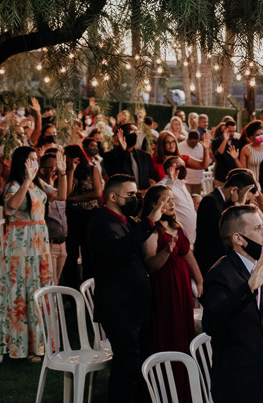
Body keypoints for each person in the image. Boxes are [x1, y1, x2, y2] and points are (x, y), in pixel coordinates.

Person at [87, 175, 164, 403]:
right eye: (130, 195)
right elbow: (120, 250)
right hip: (118, 308)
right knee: (126, 364)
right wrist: (149, 222)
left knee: (133, 363)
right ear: (112, 196)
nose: (134, 199)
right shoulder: (100, 222)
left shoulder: (126, 220)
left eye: (135, 194)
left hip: (135, 306)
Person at [201, 205, 263, 403]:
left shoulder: (254, 266)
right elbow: (211, 324)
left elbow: (257, 327)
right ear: (238, 239)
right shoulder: (220, 274)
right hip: (235, 383)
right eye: (257, 228)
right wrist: (248, 288)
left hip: (258, 375)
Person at [0, 147, 66, 360]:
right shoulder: (14, 185)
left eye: (36, 160)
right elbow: (11, 207)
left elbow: (61, 196)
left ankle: (39, 345)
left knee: (39, 288)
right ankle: (20, 346)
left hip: (39, 240)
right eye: (31, 160)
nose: (35, 164)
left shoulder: (40, 183)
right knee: (21, 291)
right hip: (20, 243)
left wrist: (63, 173)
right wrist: (26, 181)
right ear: (22, 163)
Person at [141, 185, 202, 403]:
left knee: (185, 328)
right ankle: (168, 385)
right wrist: (166, 252)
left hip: (183, 286)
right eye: (165, 200)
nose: (170, 203)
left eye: (171, 199)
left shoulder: (177, 226)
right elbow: (150, 264)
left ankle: (186, 383)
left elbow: (188, 256)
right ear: (153, 204)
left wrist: (200, 279)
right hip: (165, 287)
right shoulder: (152, 231)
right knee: (170, 328)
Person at [193, 170, 257, 273]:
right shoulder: (210, 202)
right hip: (209, 262)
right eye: (243, 199)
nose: (243, 202)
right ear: (233, 190)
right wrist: (239, 205)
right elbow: (223, 229)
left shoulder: (224, 201)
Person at [61, 144, 103, 290]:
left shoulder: (92, 170)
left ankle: (90, 288)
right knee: (71, 254)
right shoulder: (65, 173)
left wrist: (75, 199)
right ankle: (71, 289)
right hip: (72, 216)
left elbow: (98, 192)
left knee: (88, 253)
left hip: (90, 215)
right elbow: (66, 194)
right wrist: (71, 171)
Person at [40, 153, 70, 284]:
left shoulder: (56, 189)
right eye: (53, 167)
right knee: (51, 283)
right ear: (42, 170)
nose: (56, 170)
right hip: (50, 244)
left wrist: (64, 173)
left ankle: (58, 304)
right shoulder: (39, 190)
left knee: (57, 282)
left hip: (62, 243)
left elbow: (63, 196)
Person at [101, 123, 155, 193]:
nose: (133, 135)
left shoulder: (145, 156)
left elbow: (151, 179)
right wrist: (124, 151)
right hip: (123, 197)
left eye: (135, 132)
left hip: (143, 198)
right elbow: (115, 175)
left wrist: (148, 190)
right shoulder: (109, 156)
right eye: (130, 132)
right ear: (120, 136)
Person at [158, 157, 198, 249]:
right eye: (179, 166)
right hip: (179, 239)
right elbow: (163, 199)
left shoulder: (181, 184)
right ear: (169, 169)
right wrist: (170, 182)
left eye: (184, 165)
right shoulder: (162, 185)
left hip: (192, 238)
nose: (183, 168)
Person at [177, 129, 211, 196]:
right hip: (186, 180)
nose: (194, 144)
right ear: (188, 139)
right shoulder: (180, 147)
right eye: (192, 142)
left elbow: (206, 162)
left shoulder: (201, 147)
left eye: (196, 142)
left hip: (197, 179)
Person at [211, 119, 241, 186]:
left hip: (234, 178)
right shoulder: (217, 141)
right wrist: (225, 140)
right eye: (230, 131)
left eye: (234, 131)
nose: (232, 134)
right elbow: (217, 155)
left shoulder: (237, 142)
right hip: (221, 178)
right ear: (225, 130)